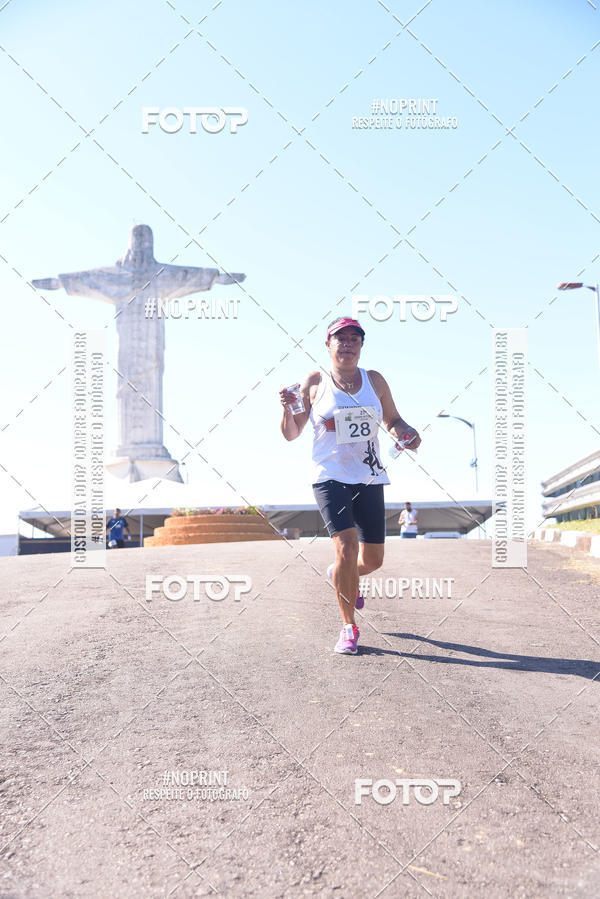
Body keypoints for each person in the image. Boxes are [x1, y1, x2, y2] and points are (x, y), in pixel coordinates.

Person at [279, 317, 421, 655]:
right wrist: (287, 410)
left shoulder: (375, 381)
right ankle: (348, 627)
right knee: (346, 547)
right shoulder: (314, 381)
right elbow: (292, 432)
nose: (347, 344)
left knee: (372, 560)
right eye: (339, 338)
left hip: (369, 476)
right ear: (327, 345)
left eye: (354, 338)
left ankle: (340, 575)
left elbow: (393, 420)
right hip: (330, 475)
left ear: (361, 345)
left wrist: (407, 434)